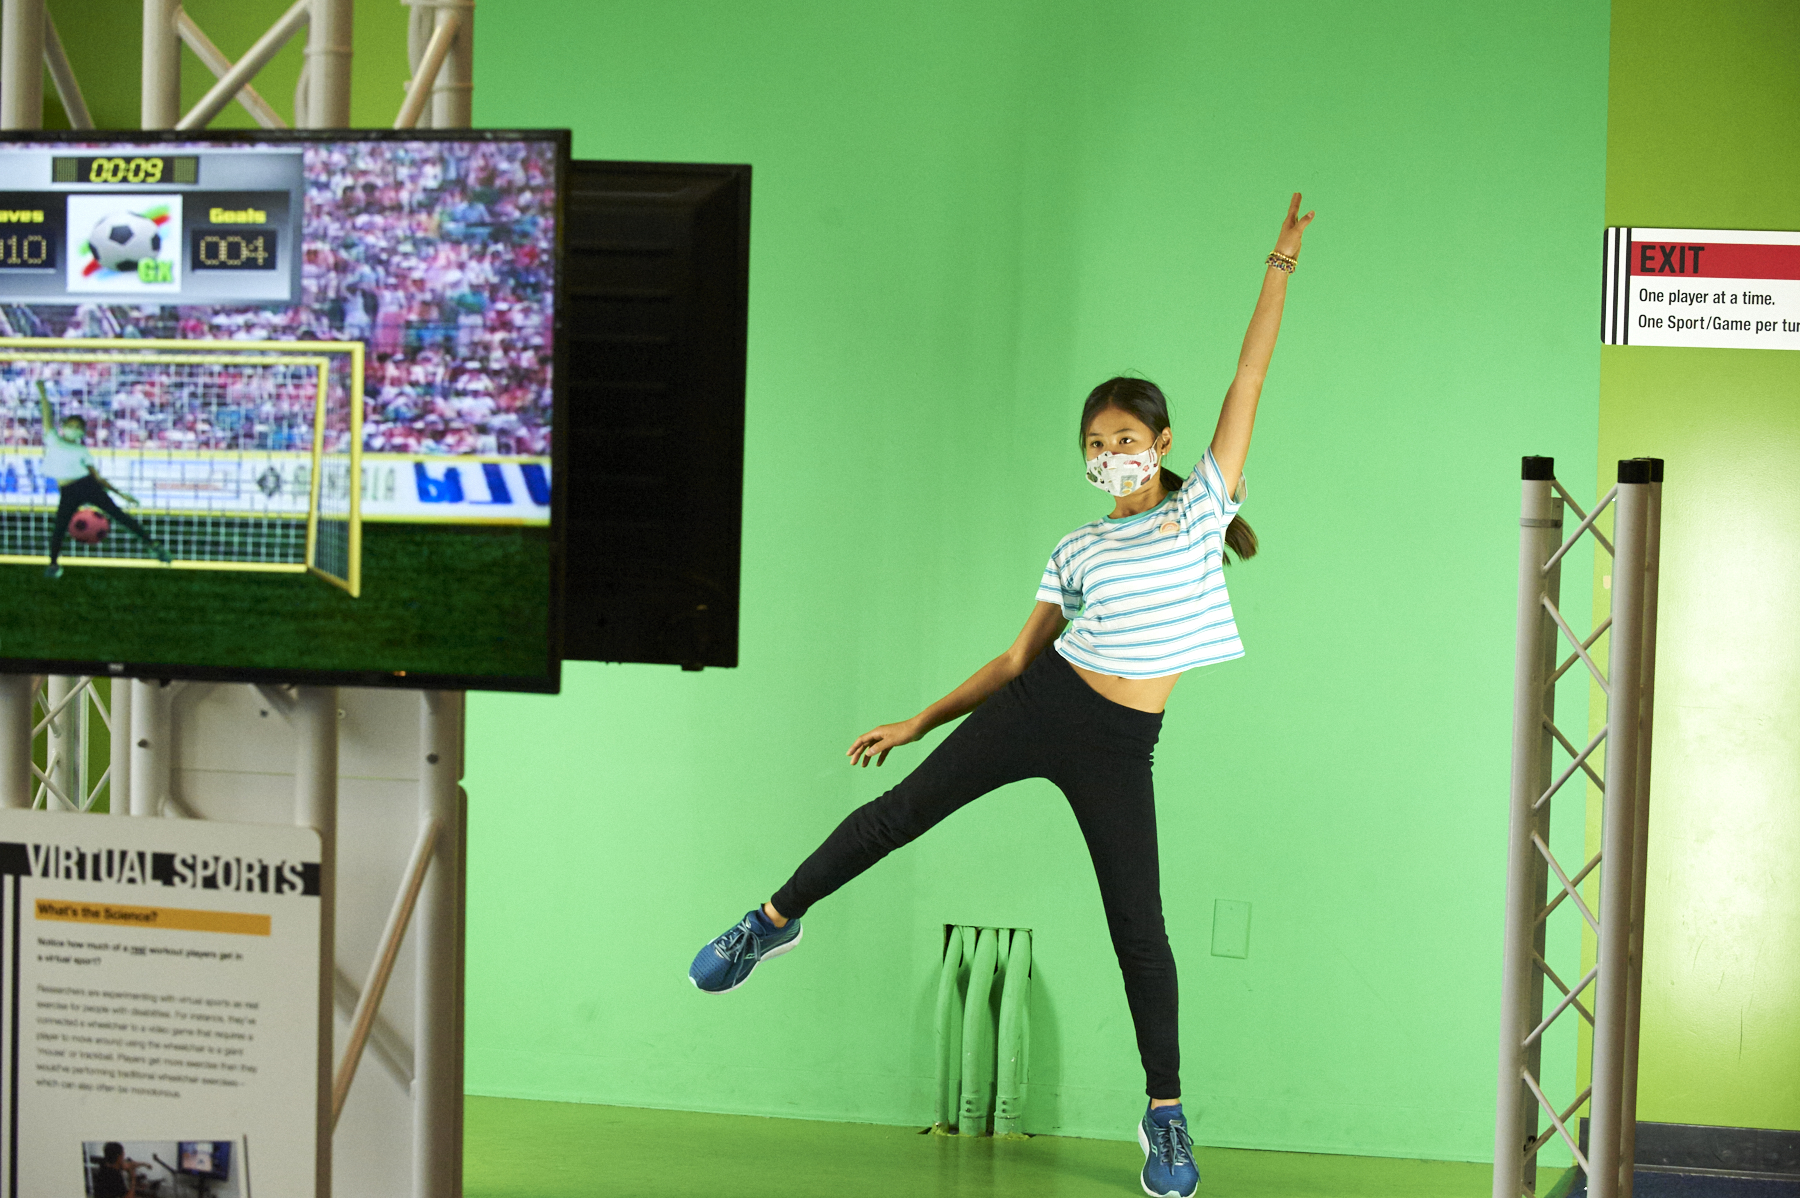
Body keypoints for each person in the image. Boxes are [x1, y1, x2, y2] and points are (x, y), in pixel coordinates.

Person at [689, 193, 1314, 1198]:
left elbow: (1251, 375)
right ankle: (769, 919)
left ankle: (1164, 1116)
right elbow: (1020, 659)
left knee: (1138, 929)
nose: (1112, 451)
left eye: (1127, 434)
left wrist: (1277, 266)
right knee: (897, 814)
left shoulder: (1202, 509)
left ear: (1161, 439)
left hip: (1119, 743)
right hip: (1042, 707)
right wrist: (920, 717)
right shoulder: (1076, 545)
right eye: (1096, 440)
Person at [38, 383, 170, 578]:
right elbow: (47, 415)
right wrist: (42, 393)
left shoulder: (82, 451)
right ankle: (54, 564)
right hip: (68, 491)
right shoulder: (53, 439)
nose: (73, 429)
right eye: (71, 425)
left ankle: (154, 545)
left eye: (77, 427)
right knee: (59, 526)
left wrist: (120, 494)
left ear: (82, 433)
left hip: (86, 485)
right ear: (63, 427)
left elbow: (96, 476)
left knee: (118, 515)